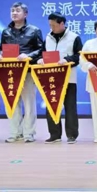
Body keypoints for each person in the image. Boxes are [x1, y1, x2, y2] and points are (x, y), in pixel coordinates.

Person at [0, 2, 43, 143]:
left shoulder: (34, 30)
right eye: (12, 10)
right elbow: (2, 48)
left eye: (17, 10)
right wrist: (0, 55)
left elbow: (41, 50)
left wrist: (28, 55)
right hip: (10, 72)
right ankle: (14, 132)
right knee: (11, 102)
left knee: (29, 103)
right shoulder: (6, 32)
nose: (14, 13)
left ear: (25, 14)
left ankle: (29, 133)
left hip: (27, 71)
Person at [40, 12, 82, 144]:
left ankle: (72, 135)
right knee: (51, 106)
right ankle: (54, 134)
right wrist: (40, 60)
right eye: (50, 25)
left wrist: (67, 60)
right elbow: (42, 53)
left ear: (62, 24)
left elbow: (79, 56)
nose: (51, 28)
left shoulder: (74, 37)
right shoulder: (47, 38)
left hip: (68, 78)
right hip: (51, 78)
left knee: (70, 107)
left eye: (53, 25)